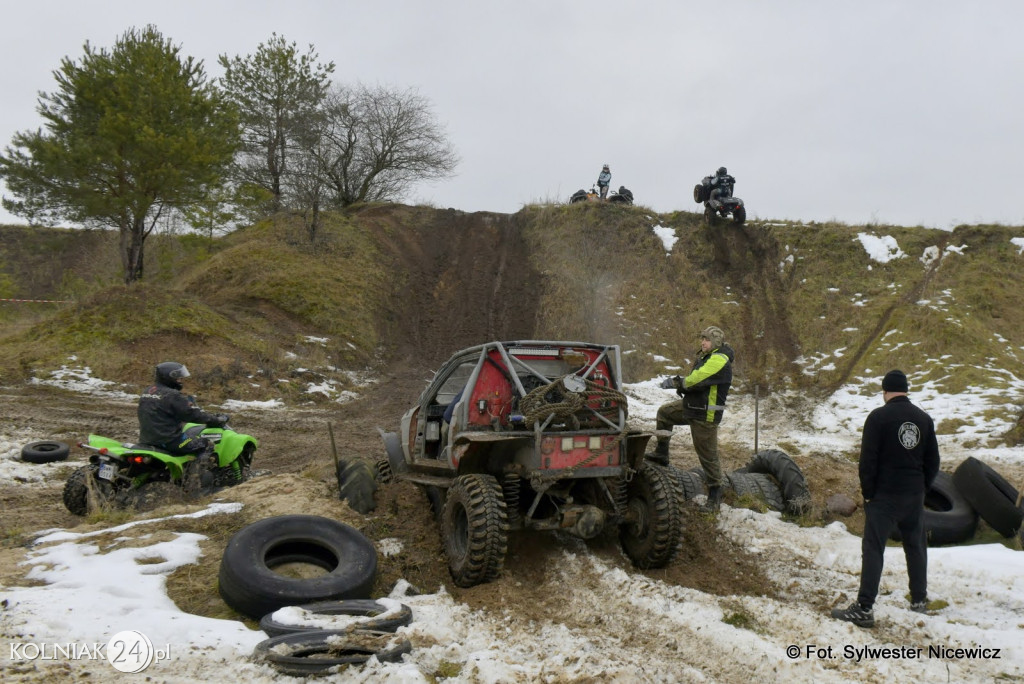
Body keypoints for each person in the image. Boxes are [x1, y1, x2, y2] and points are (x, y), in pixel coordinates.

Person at [831, 369, 940, 628]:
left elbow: (867, 461)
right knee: (915, 546)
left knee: (873, 549)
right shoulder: (923, 419)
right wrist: (922, 487)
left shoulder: (878, 418)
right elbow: (933, 461)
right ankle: (919, 601)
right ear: (905, 390)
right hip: (913, 495)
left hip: (884, 495)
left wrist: (868, 494)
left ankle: (865, 608)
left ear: (885, 391)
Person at [652, 326, 734, 512]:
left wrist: (678, 383)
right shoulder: (708, 356)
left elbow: (696, 380)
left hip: (706, 414)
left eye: (706, 339)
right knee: (664, 413)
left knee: (707, 455)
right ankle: (661, 453)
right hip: (693, 407)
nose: (702, 342)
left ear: (716, 342)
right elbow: (695, 383)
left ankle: (715, 495)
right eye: (702, 339)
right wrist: (682, 385)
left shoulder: (719, 360)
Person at [138, 361, 228, 456]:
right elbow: (192, 415)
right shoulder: (172, 395)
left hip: (146, 440)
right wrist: (215, 420)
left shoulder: (148, 391)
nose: (180, 381)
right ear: (169, 377)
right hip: (170, 442)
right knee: (205, 443)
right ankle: (197, 470)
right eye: (178, 378)